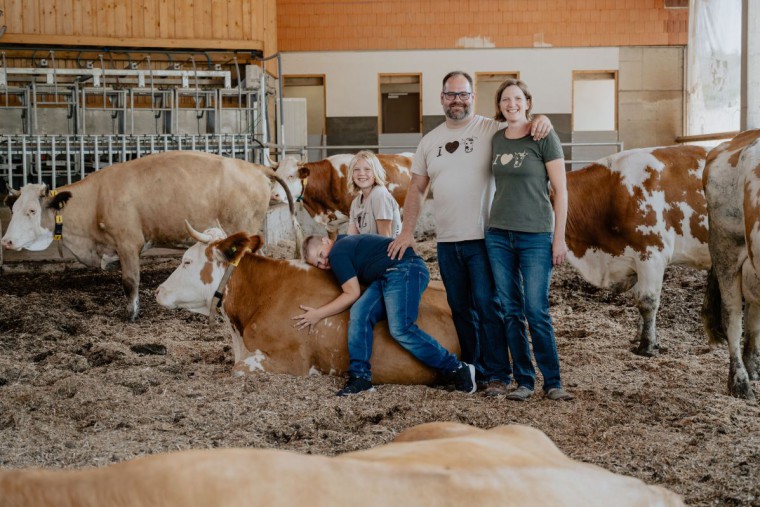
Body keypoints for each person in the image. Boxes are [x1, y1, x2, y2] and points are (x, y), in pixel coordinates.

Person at [387, 71, 552, 397]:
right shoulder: (429, 141)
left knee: (489, 306)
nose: (457, 100)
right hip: (447, 240)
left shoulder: (491, 130)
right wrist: (407, 232)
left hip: (486, 236)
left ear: (473, 97)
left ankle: (498, 374)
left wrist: (541, 118)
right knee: (460, 307)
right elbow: (417, 190)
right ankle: (475, 370)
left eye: (463, 94)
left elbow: (522, 121)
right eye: (451, 94)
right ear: (442, 98)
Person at [293, 233, 476, 396]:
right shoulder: (345, 245)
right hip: (385, 276)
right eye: (318, 264)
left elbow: (352, 293)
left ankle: (457, 369)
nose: (324, 263)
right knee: (359, 313)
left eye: (320, 255)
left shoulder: (337, 252)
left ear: (326, 240)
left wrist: (318, 314)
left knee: (400, 328)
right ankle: (360, 378)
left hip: (404, 269)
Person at [485, 78, 573, 402]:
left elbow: (561, 191)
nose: (512, 104)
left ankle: (553, 381)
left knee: (536, 309)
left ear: (528, 102)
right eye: (505, 99)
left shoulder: (543, 135)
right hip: (498, 235)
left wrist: (559, 238)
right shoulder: (496, 139)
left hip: (536, 235)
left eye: (517, 98)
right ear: (500, 106)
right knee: (510, 310)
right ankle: (523, 379)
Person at [346, 150, 402, 238]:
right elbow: (351, 239)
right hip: (370, 248)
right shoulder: (355, 203)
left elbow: (385, 240)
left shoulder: (380, 195)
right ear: (352, 175)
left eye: (367, 169)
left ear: (376, 173)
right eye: (356, 169)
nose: (361, 173)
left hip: (386, 250)